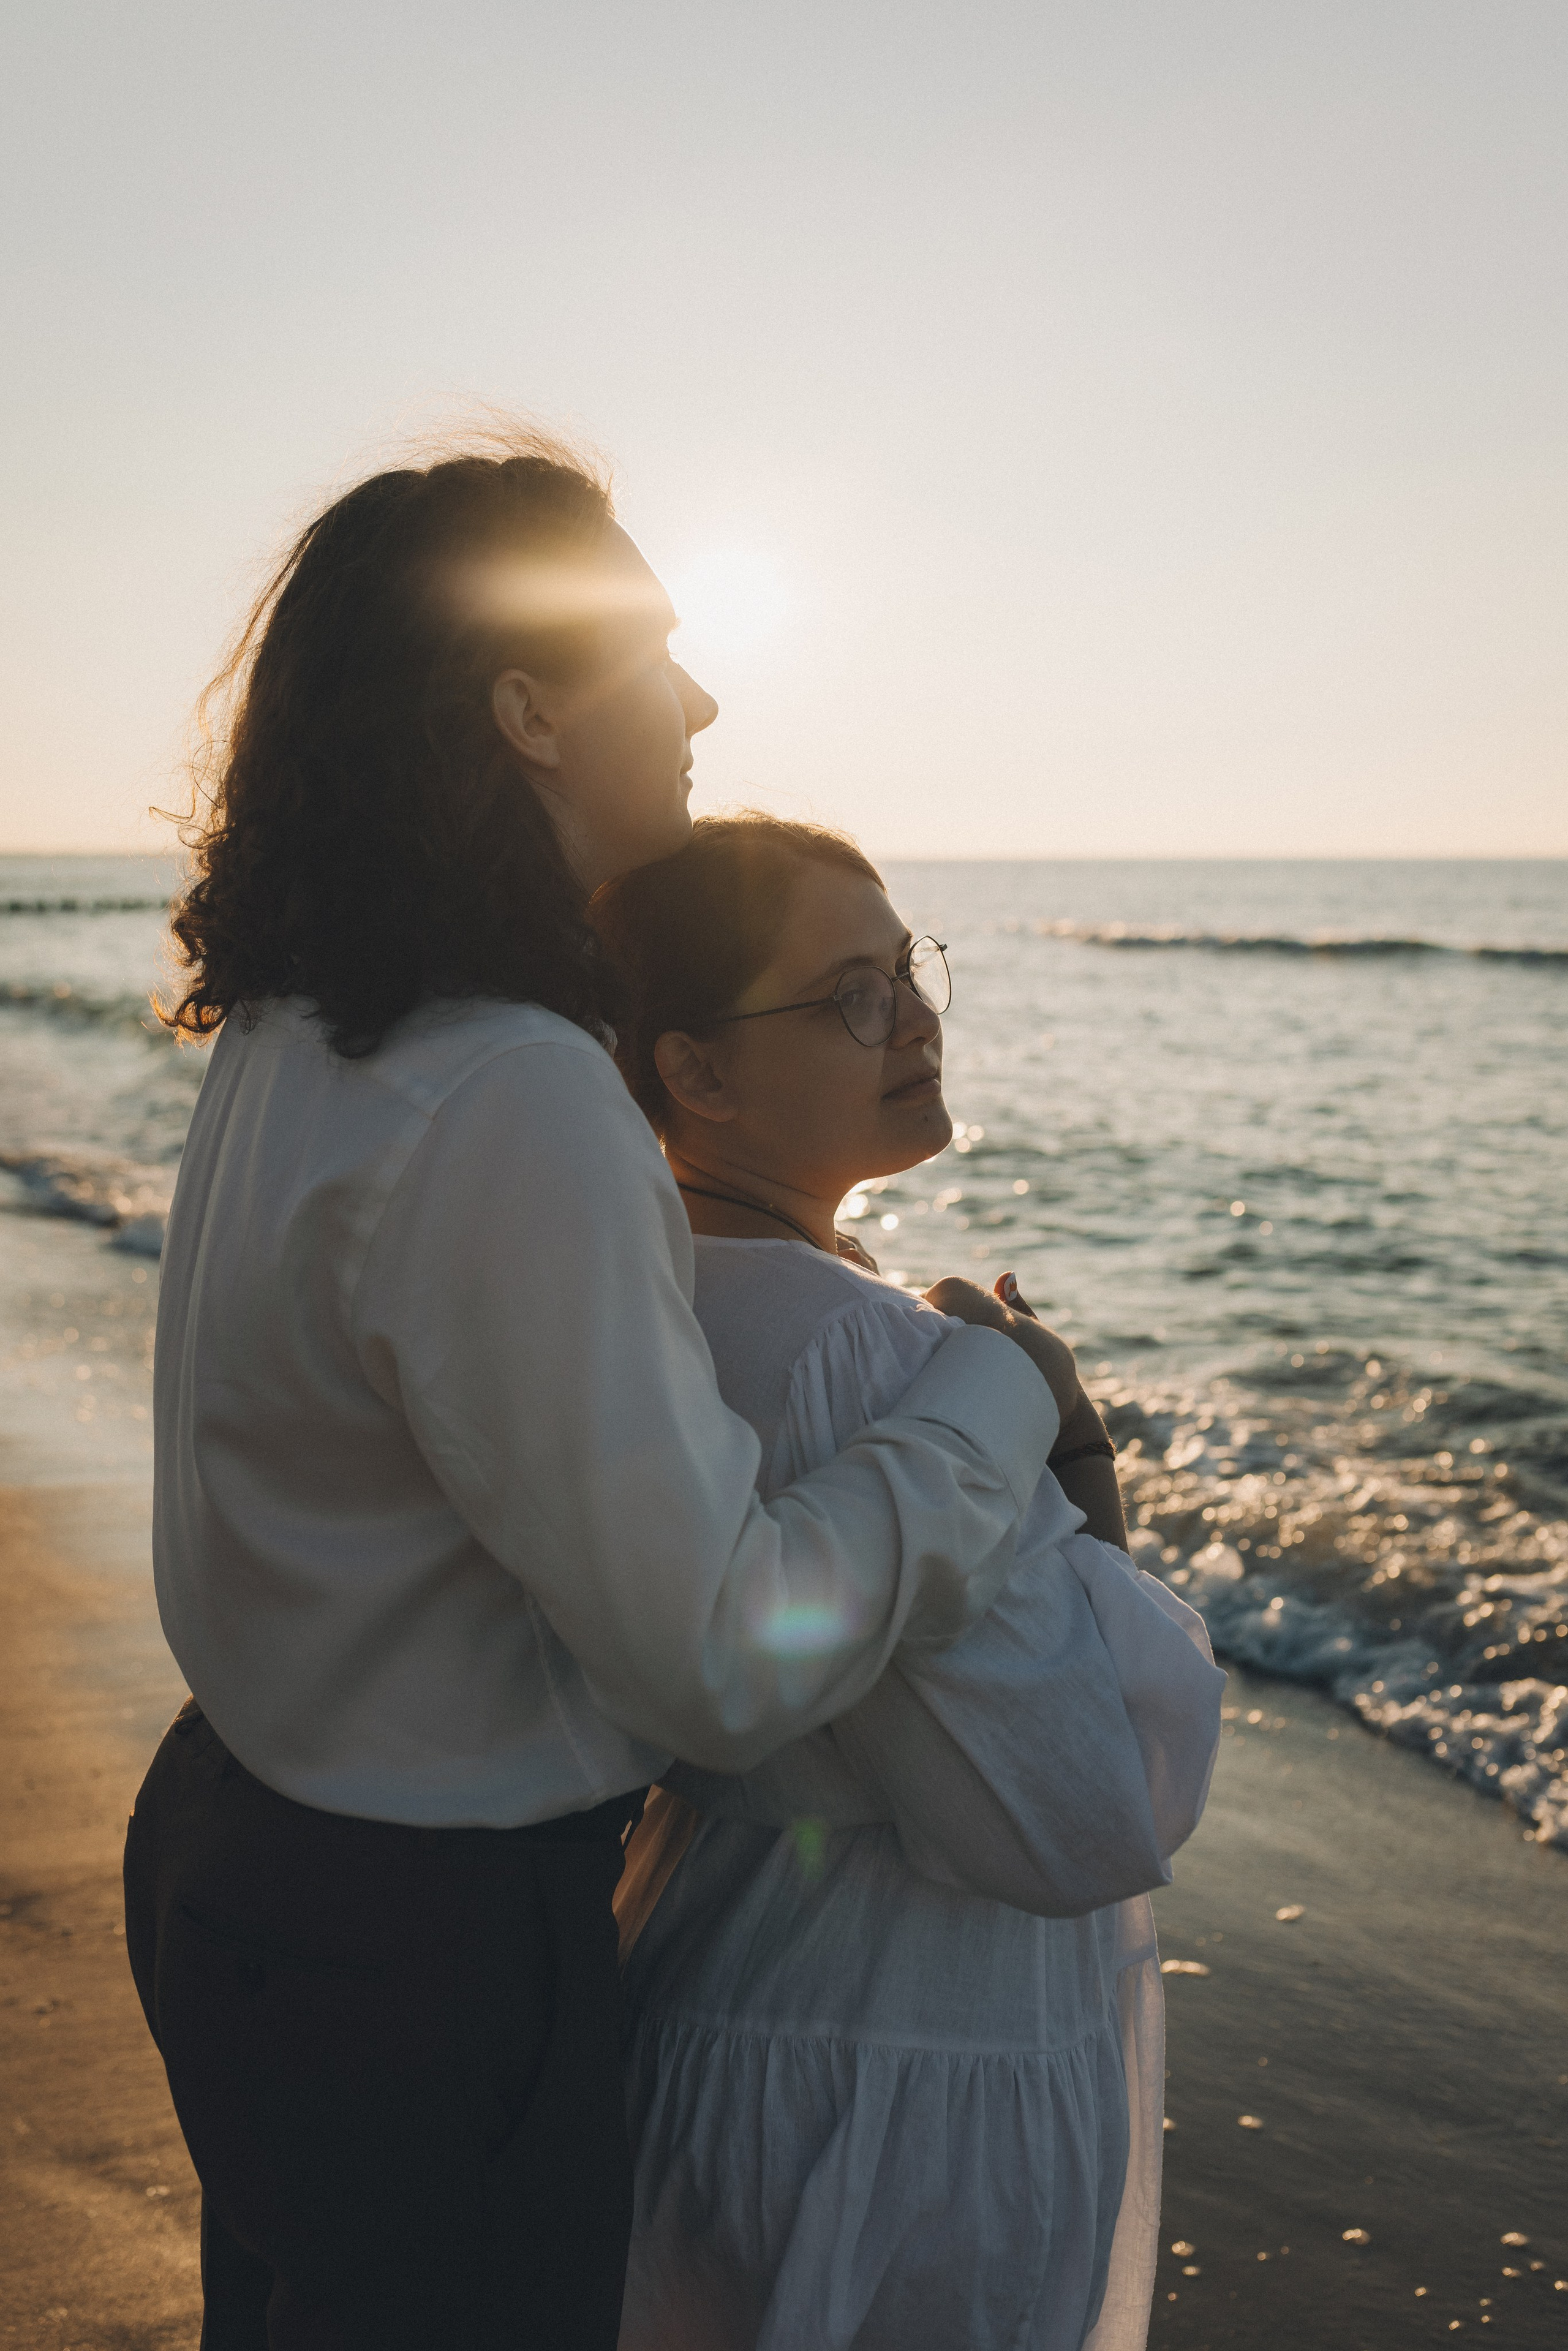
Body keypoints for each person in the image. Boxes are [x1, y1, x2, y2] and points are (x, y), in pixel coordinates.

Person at [120, 434, 1081, 2351]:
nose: (704, 695)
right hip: (423, 1950)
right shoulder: (513, 1085)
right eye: (657, 649)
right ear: (528, 706)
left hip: (243, 1850)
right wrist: (988, 1406)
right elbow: (713, 1655)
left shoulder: (311, 1024)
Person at [591, 815, 1225, 2351]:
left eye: (908, 967)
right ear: (696, 1070)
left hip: (721, 2022)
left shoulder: (637, 1295)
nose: (916, 1017)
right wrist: (1069, 1447)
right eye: (848, 995)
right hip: (886, 2100)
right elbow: (1089, 1801)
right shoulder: (869, 1360)